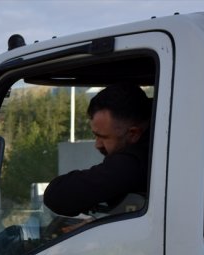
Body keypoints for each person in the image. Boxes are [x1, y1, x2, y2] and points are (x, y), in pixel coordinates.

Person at [43, 83, 152, 217]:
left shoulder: (133, 163)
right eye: (95, 135)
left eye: (103, 137)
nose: (97, 145)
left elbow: (57, 196)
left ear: (133, 134)